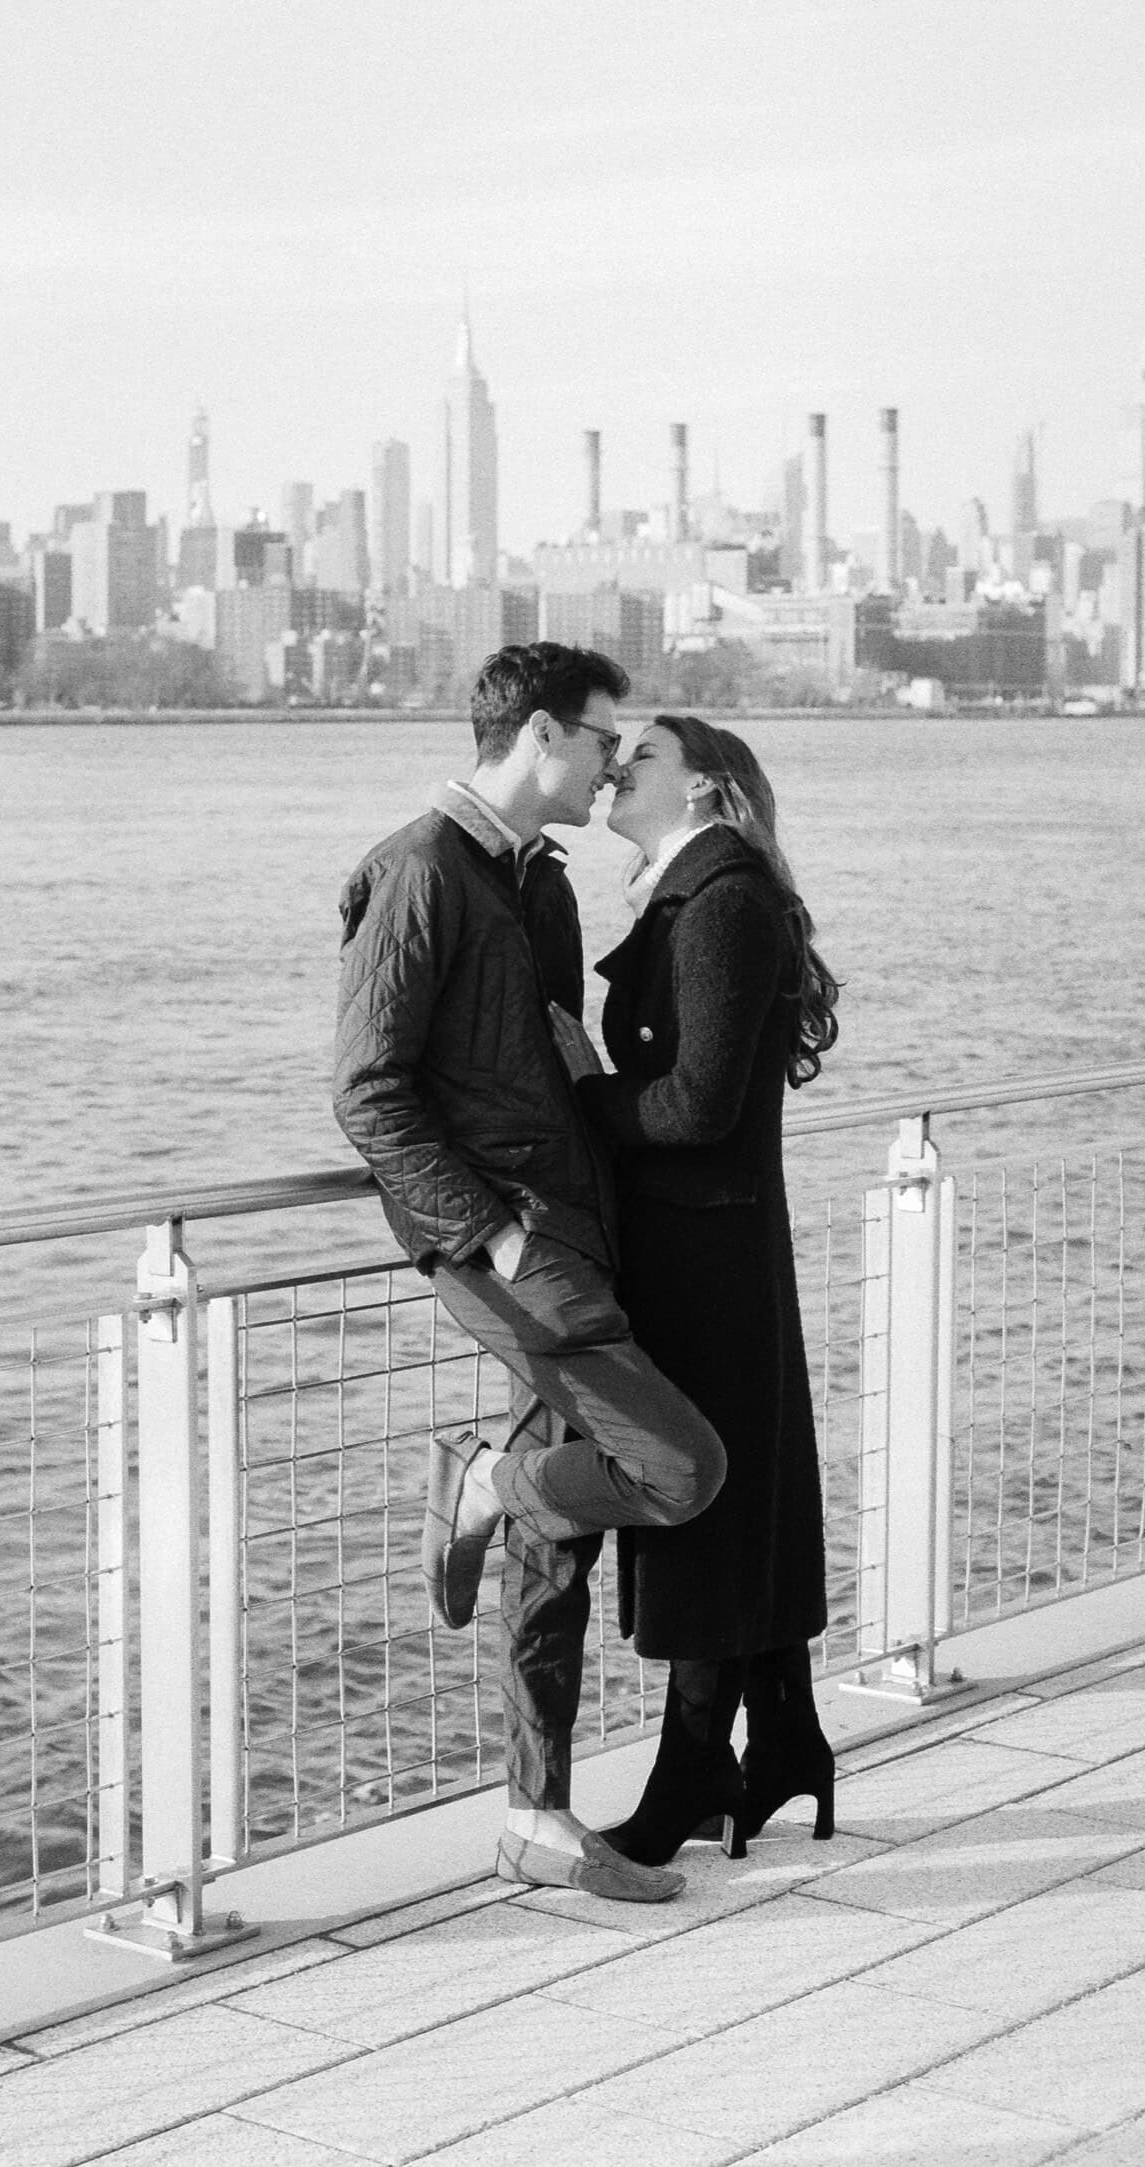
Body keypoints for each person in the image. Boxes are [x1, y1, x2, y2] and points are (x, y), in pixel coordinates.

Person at [332, 645, 727, 1902]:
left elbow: (554, 1062)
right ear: (545, 737)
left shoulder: (537, 883)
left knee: (562, 1540)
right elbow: (369, 1092)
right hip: (506, 1249)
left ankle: (535, 1814)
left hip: (571, 1228)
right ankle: (481, 1480)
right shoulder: (415, 873)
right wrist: (491, 1234)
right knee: (678, 1468)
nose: (616, 763)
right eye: (606, 741)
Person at [552, 714, 840, 1861]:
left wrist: (583, 1092)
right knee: (739, 1498)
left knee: (704, 1507)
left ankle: (695, 1774)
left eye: (645, 756)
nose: (618, 766)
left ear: (708, 788)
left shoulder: (719, 904)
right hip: (711, 1245)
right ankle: (781, 1741)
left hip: (705, 1255)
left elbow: (693, 1107)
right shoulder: (704, 893)